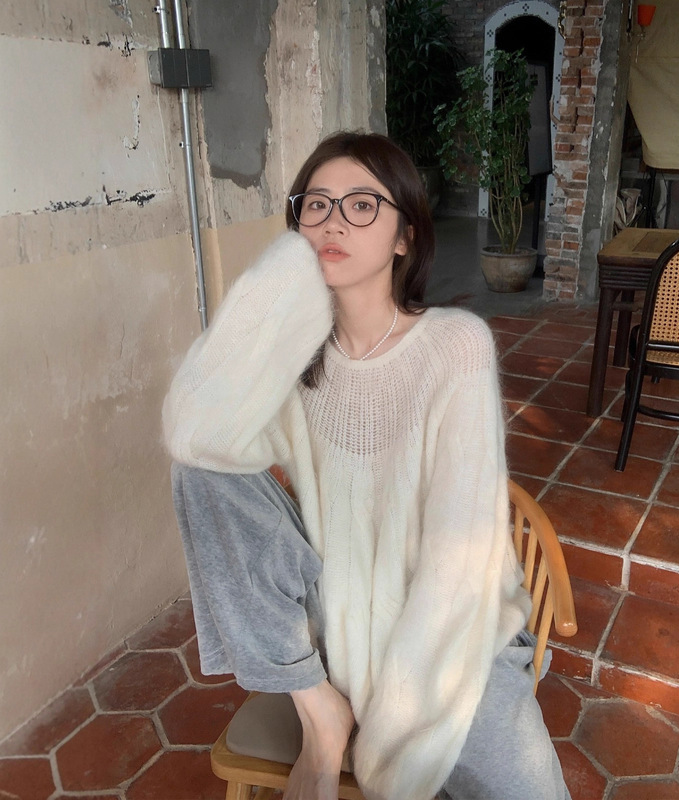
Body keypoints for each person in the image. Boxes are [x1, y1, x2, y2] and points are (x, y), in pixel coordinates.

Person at [163, 131, 570, 800]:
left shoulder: (455, 346)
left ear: (405, 236)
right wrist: (280, 281)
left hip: (451, 633)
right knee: (197, 472)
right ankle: (318, 711)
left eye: (360, 205)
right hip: (333, 623)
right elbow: (193, 435)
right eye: (315, 205)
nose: (333, 222)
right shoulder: (296, 363)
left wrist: (397, 727)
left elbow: (458, 566)